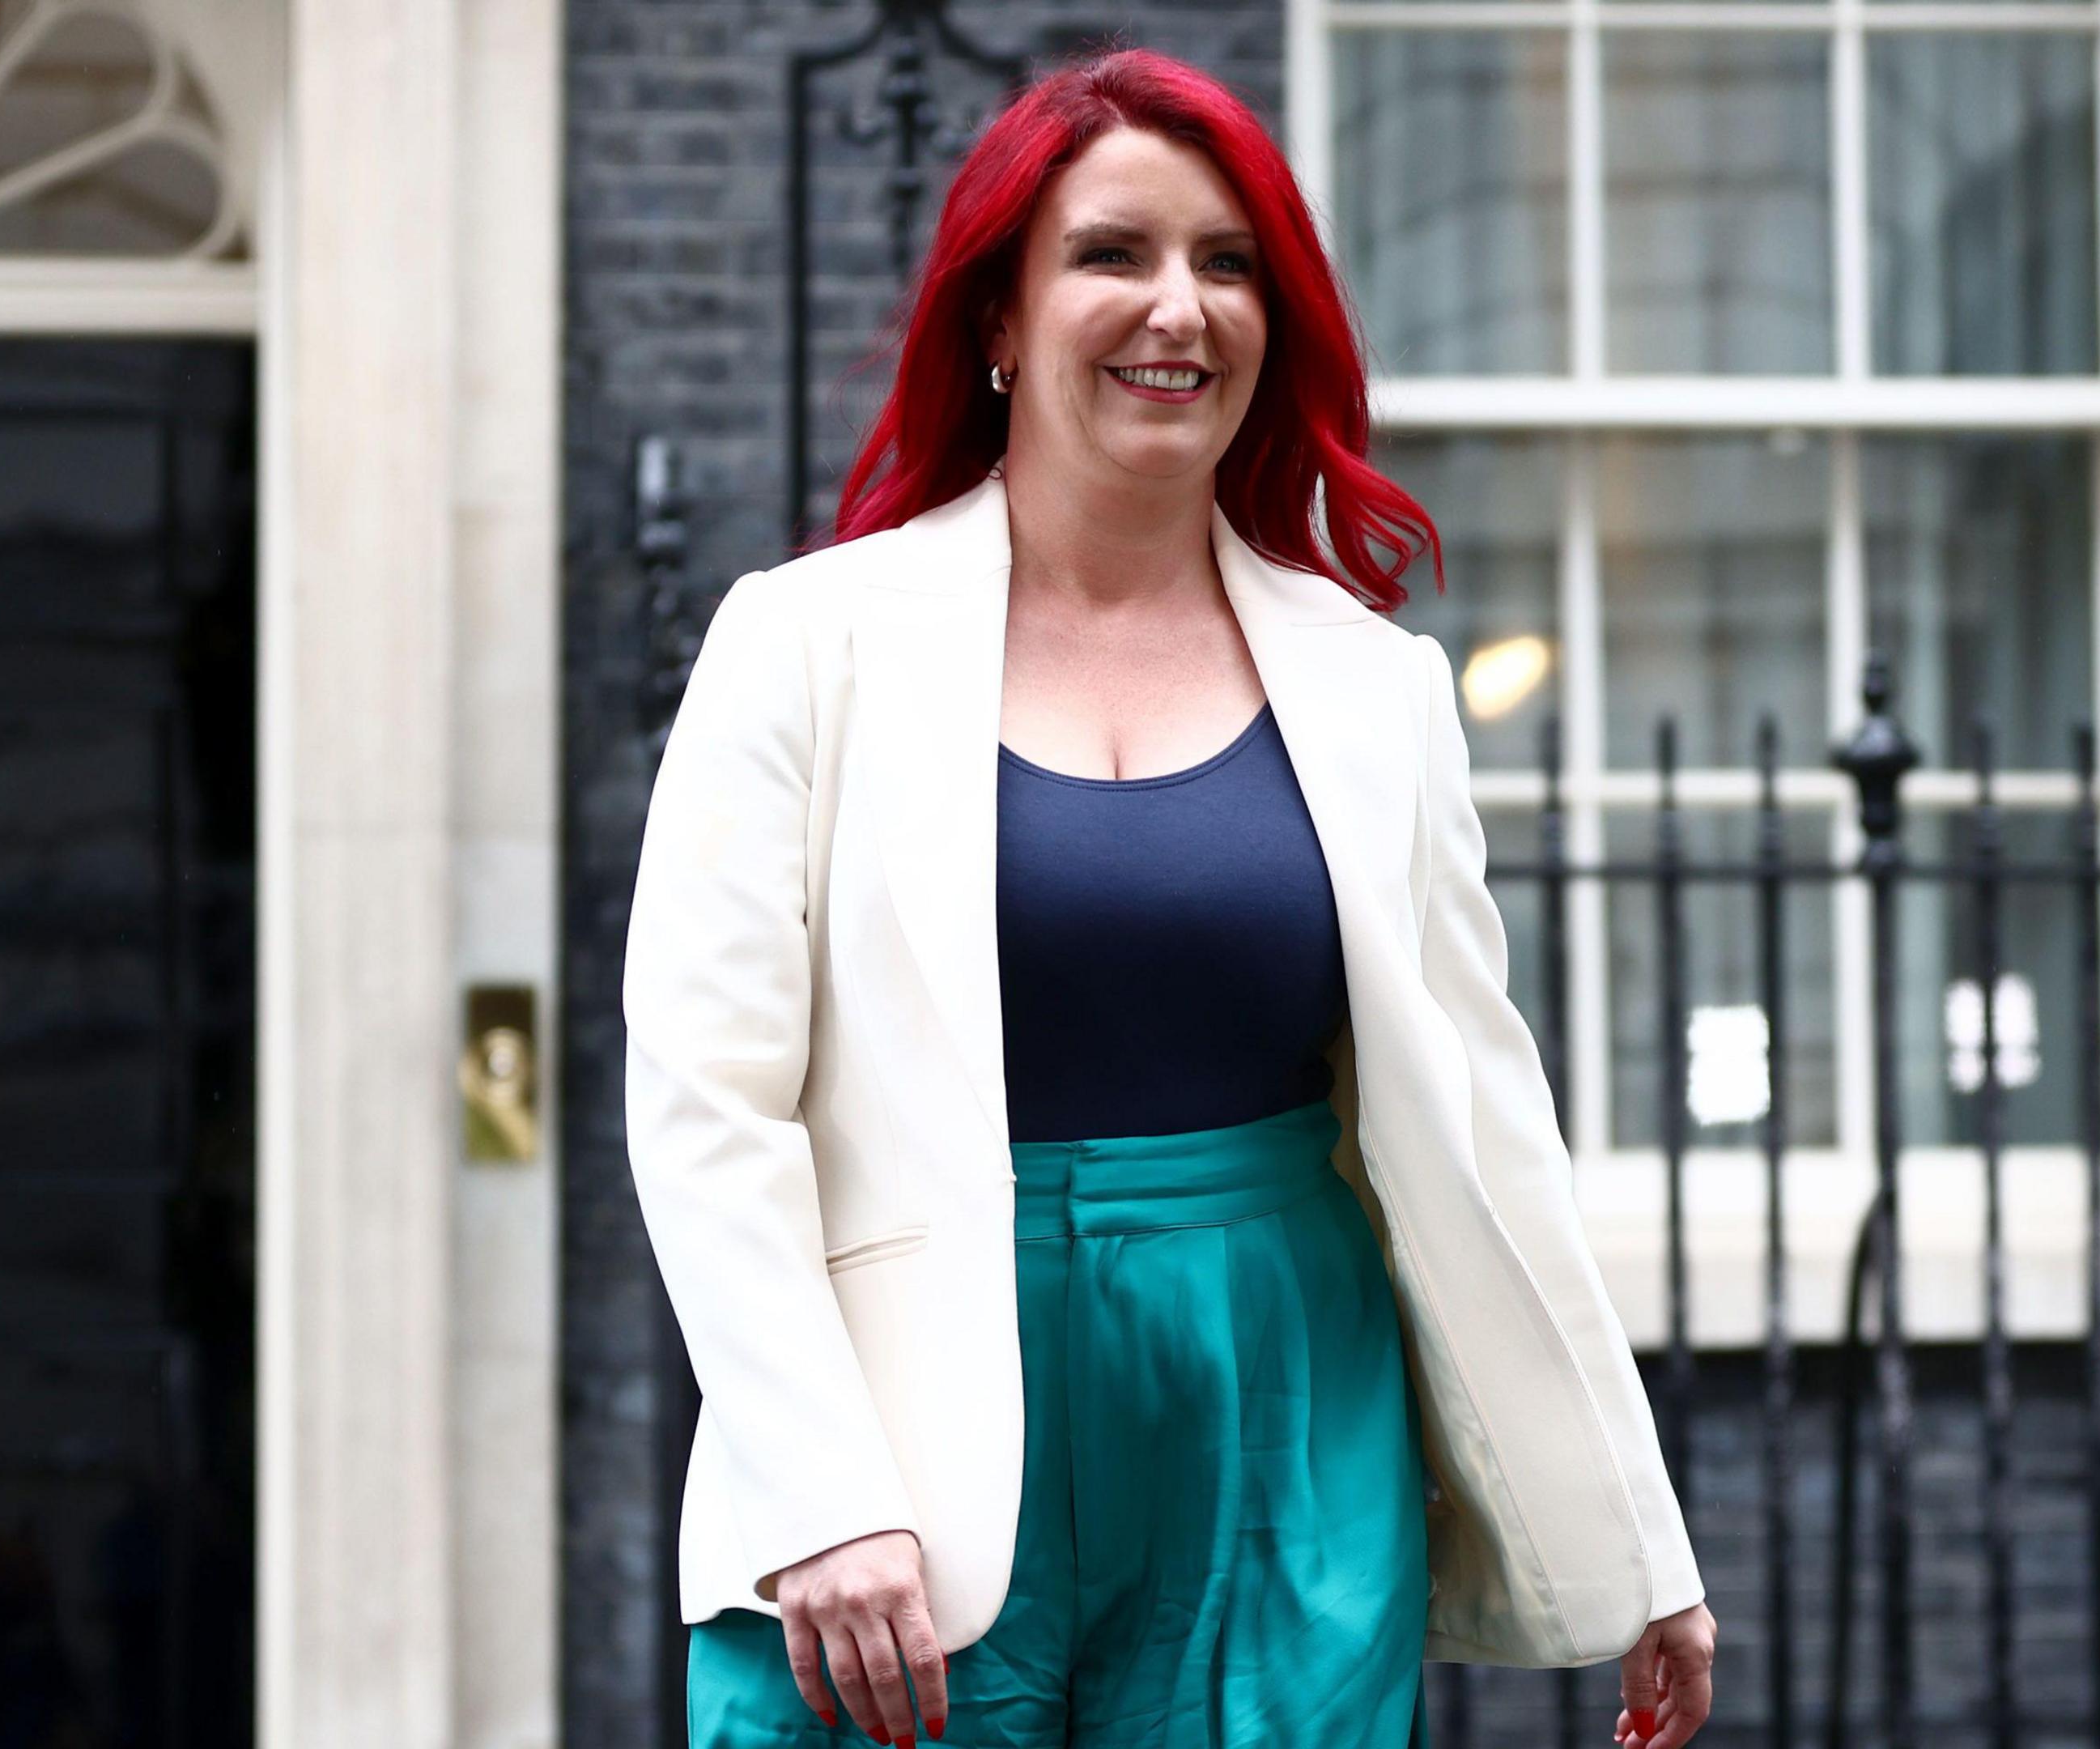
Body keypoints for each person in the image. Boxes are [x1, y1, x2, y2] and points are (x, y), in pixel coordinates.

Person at [624, 45, 1716, 1749]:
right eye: (1114, 254)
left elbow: (1486, 1122)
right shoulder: (803, 645)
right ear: (997, 317)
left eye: (1227, 264)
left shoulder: (1376, 687)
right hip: (906, 1437)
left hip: (1279, 1410)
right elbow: (707, 1110)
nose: (1179, 308)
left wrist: (1638, 1527)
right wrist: (819, 1490)